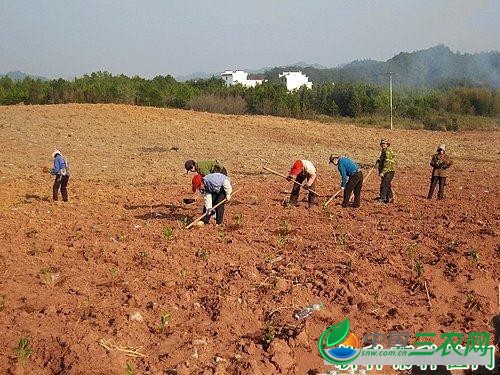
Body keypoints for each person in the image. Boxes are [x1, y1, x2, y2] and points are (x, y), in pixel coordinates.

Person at [376, 139, 396, 203]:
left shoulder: (388, 151)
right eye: (382, 144)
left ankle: (382, 198)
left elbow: (388, 163)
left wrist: (383, 172)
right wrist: (379, 161)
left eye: (385, 143)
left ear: (387, 144)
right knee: (387, 185)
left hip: (389, 171)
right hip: (386, 171)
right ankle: (390, 198)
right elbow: (383, 160)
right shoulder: (383, 151)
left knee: (384, 185)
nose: (383, 145)